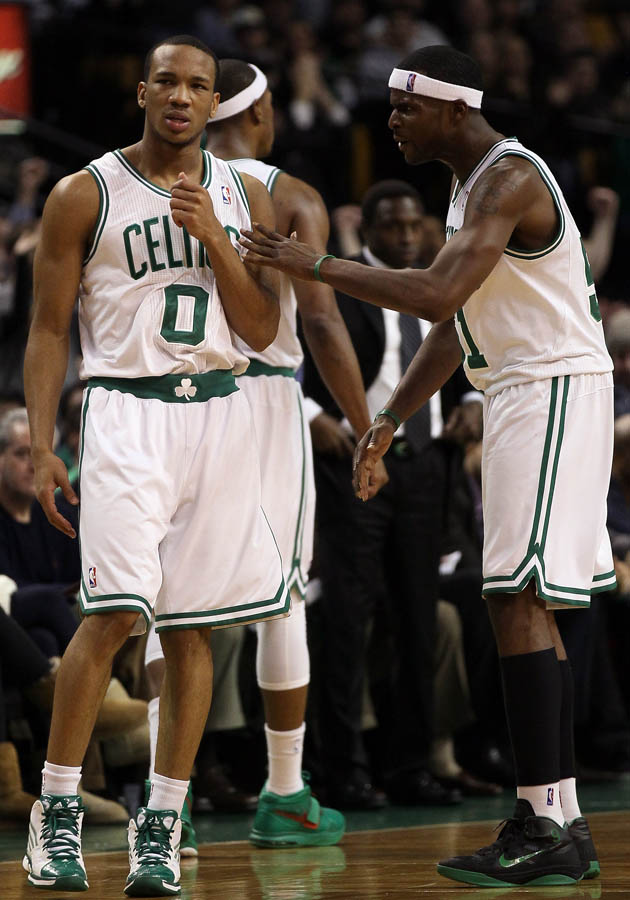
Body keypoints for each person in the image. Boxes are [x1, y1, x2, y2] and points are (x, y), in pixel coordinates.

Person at [240, 44, 615, 887]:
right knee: (522, 602)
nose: (393, 124)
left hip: (548, 385)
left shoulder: (507, 178)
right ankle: (559, 820)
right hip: (523, 384)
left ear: (451, 107)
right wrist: (391, 417)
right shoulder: (470, 188)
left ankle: (543, 818)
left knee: (515, 599)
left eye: (405, 109)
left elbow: (440, 296)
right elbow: (455, 325)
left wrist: (317, 266)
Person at [22, 34, 288, 897]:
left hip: (221, 410)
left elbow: (256, 330)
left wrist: (214, 236)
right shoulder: (82, 193)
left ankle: (161, 829)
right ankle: (55, 814)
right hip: (126, 412)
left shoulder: (246, 197)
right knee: (111, 615)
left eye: (199, 86)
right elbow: (50, 330)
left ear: (217, 104)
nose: (181, 96)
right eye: (167, 82)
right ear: (142, 92)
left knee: (193, 629)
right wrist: (41, 442)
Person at [143, 56, 383, 850]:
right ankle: (285, 792)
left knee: (169, 610)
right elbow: (318, 322)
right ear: (261, 112)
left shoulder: (155, 184)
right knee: (279, 598)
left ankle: (161, 806)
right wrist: (365, 421)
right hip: (262, 400)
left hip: (163, 405)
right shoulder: (286, 194)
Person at [301, 178, 481, 808]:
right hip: (358, 461)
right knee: (349, 617)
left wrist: (476, 400)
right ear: (368, 230)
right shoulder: (349, 286)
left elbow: (465, 353)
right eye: (392, 227)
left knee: (418, 617)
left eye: (413, 226)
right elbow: (299, 363)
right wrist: (307, 413)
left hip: (427, 466)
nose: (405, 236)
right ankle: (342, 769)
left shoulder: (442, 284)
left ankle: (413, 764)